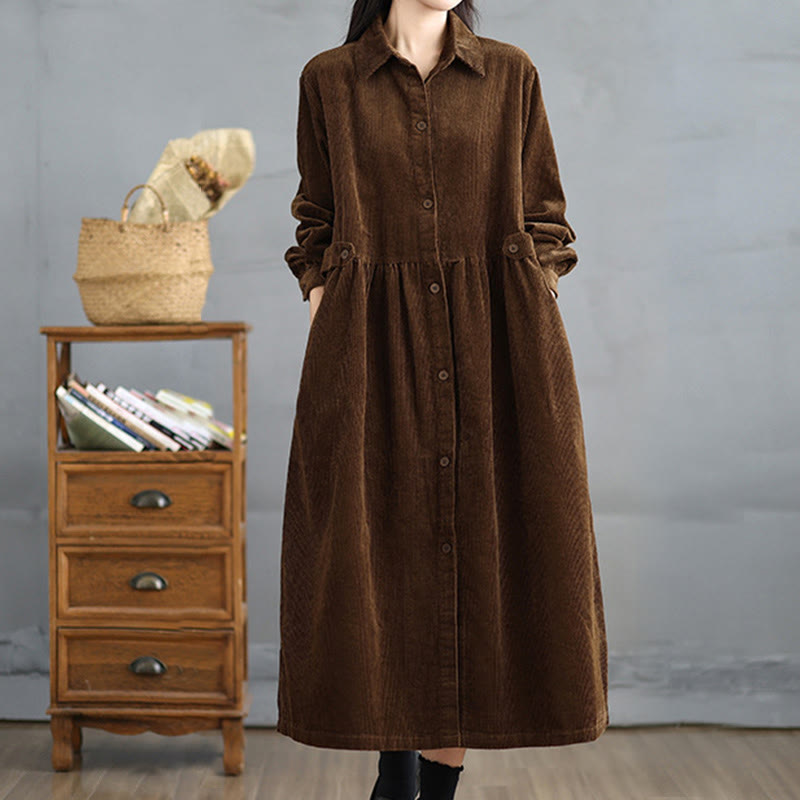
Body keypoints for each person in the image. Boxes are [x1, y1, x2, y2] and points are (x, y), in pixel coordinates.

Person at [279, 2, 610, 799]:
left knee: (482, 563)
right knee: (380, 554)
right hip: (367, 349)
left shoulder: (510, 74)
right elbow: (315, 218)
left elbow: (545, 215)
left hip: (499, 347)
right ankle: (393, 777)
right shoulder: (330, 80)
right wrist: (325, 297)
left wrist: (530, 290)